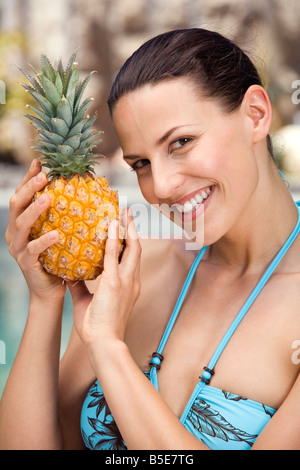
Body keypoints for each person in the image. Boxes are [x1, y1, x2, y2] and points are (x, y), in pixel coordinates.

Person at [1, 28, 300, 451]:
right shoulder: (136, 272)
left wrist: (108, 347)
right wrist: (46, 300)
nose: (160, 186)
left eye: (181, 142)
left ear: (255, 114)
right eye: (140, 163)